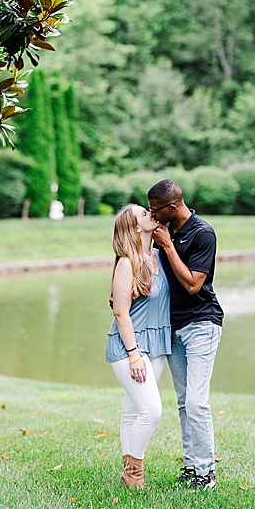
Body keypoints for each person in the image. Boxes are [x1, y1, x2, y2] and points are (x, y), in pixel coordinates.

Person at [147, 179, 224, 490]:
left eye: (156, 209)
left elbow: (193, 285)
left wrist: (166, 245)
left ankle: (207, 473)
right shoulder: (165, 230)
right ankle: (191, 466)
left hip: (202, 323)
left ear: (173, 207)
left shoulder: (202, 233)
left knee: (196, 402)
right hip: (173, 326)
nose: (152, 215)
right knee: (182, 402)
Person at [105, 204, 171, 489]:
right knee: (152, 410)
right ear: (134, 227)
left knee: (133, 410)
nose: (150, 214)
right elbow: (120, 312)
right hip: (130, 348)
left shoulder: (156, 255)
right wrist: (134, 357)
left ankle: (128, 472)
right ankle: (134, 475)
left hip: (156, 345)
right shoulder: (126, 262)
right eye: (143, 214)